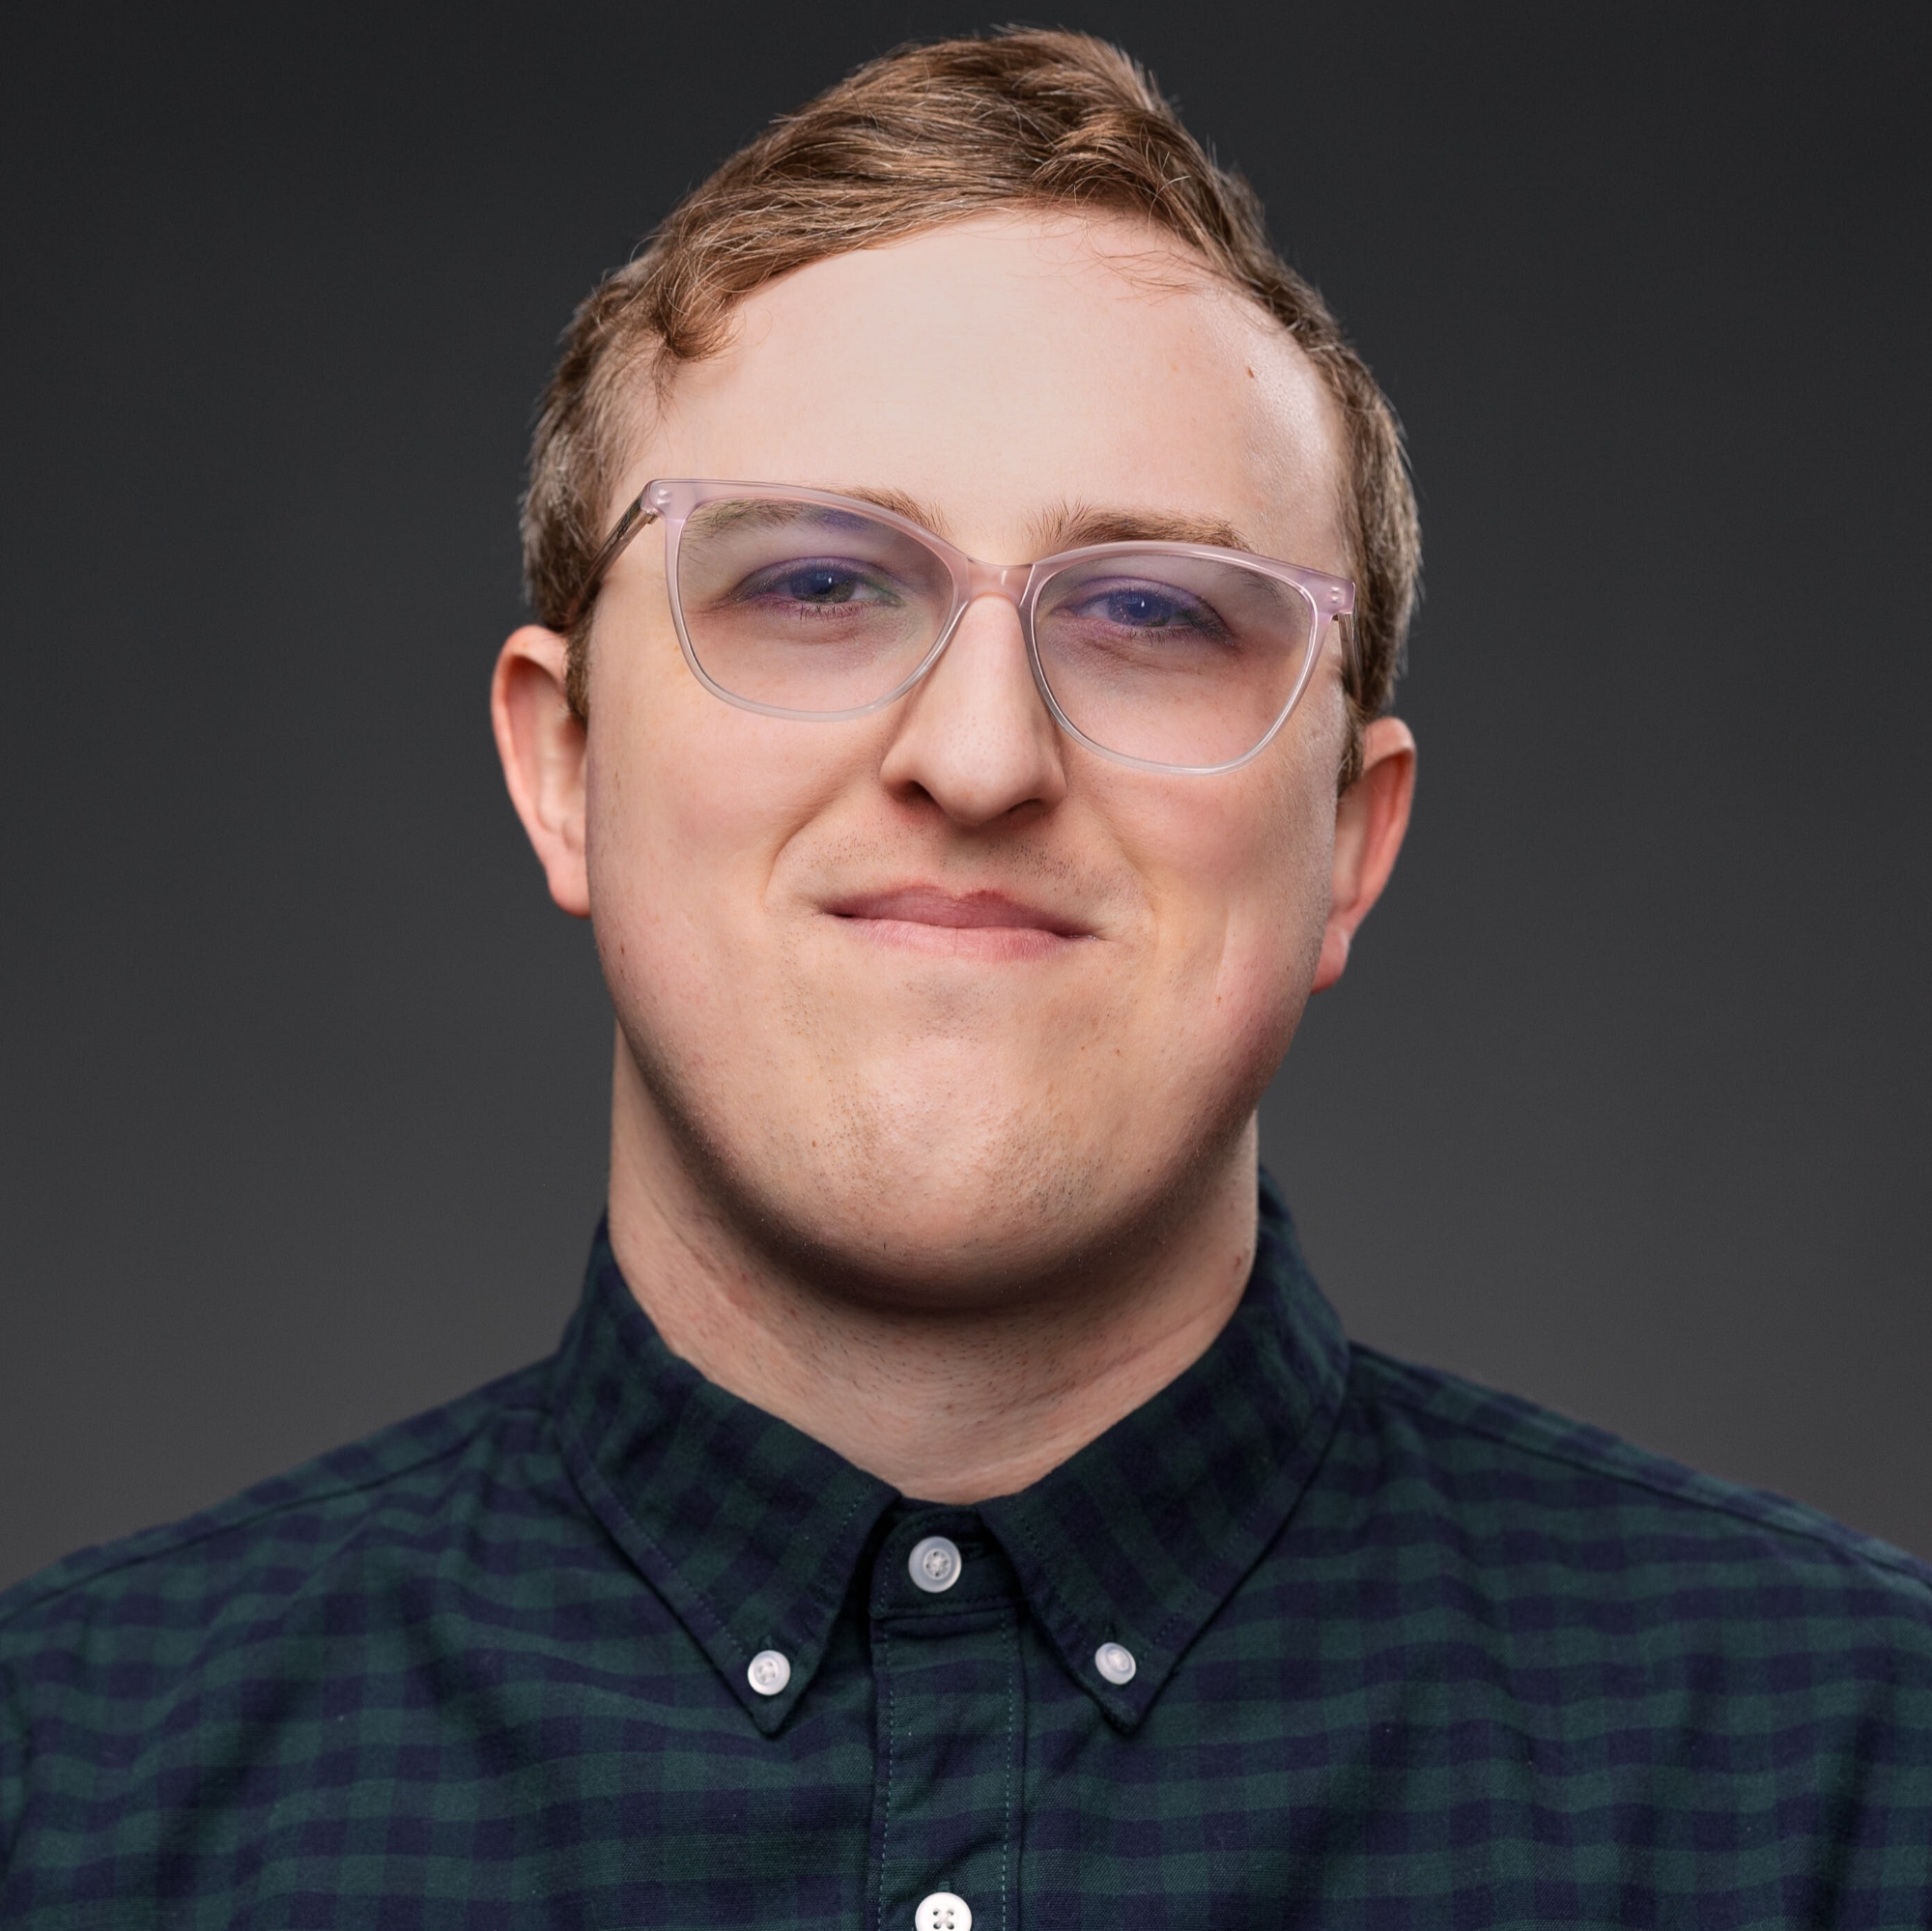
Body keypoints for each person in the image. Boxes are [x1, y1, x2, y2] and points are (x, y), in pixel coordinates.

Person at [3, 28, 1927, 1927]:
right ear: (563, 764)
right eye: (819, 584)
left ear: (1348, 836)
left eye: (1155, 612)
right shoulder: (60, 1790)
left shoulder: (1859, 1778)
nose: (984, 755)